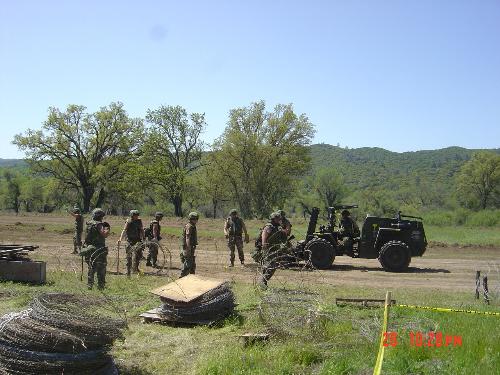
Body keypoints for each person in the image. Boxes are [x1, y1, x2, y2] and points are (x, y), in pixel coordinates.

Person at [81, 208, 110, 290]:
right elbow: (104, 234)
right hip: (98, 249)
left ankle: (90, 285)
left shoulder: (89, 223)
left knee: (91, 267)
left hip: (89, 248)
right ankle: (101, 286)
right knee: (101, 267)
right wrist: (107, 229)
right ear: (100, 216)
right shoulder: (98, 224)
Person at [259, 212, 287, 288]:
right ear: (273, 219)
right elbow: (264, 234)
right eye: (277, 218)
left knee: (267, 266)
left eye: (279, 218)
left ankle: (263, 283)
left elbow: (282, 235)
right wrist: (264, 244)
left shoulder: (277, 227)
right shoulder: (269, 226)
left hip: (274, 249)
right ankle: (262, 282)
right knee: (271, 266)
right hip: (268, 249)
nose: (279, 220)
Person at [117, 210, 144, 276]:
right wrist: (120, 239)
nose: (137, 216)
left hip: (138, 241)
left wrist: (143, 238)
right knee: (129, 257)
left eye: (137, 215)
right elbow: (124, 230)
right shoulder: (129, 221)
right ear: (132, 215)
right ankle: (128, 272)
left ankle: (136, 269)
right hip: (130, 241)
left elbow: (141, 229)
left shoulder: (139, 221)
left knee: (138, 256)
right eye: (135, 215)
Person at [180, 212, 199, 277]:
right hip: (188, 248)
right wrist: (188, 248)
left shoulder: (192, 226)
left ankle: (192, 278)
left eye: (196, 219)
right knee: (188, 264)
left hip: (191, 247)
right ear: (191, 219)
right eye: (195, 219)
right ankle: (181, 278)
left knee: (192, 265)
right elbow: (187, 238)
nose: (196, 220)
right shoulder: (189, 226)